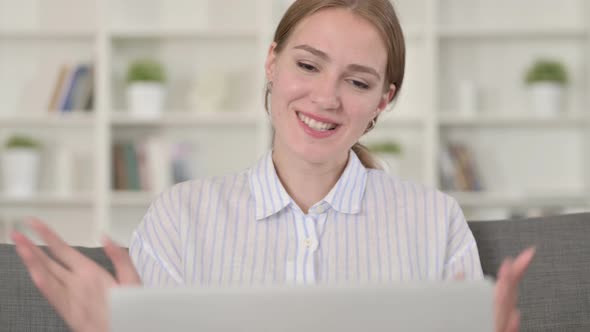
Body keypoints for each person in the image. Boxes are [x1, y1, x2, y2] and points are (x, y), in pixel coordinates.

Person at [11, 0, 535, 331]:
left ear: (384, 99)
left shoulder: (433, 223)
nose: (325, 97)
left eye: (357, 82)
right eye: (308, 65)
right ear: (272, 62)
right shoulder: (181, 218)